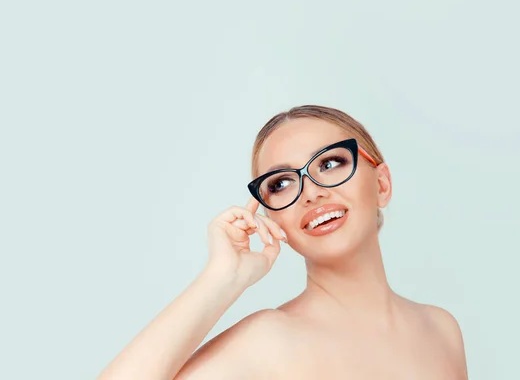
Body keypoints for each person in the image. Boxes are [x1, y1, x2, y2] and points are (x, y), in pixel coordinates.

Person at [97, 105, 468, 379]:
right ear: (273, 219)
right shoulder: (269, 340)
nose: (310, 193)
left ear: (381, 185)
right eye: (281, 184)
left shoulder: (441, 329)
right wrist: (223, 278)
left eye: (330, 163)